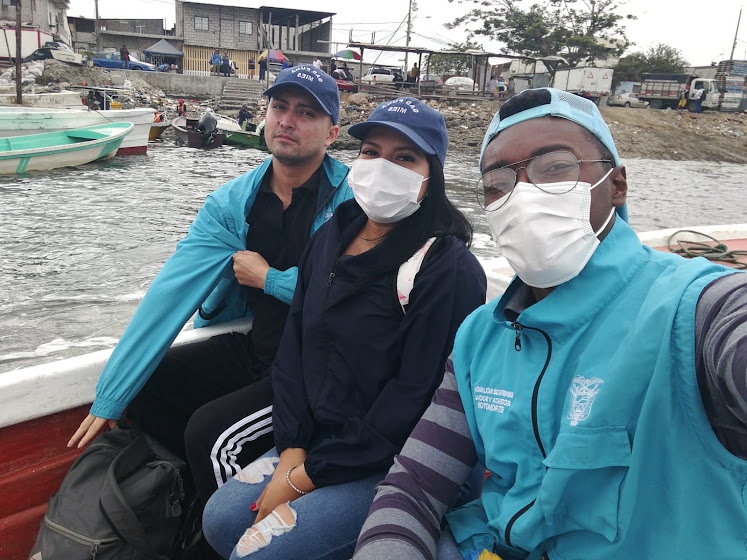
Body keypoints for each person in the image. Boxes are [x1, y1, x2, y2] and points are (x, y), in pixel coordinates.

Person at [354, 87, 747, 560]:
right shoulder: (480, 336)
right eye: (498, 182)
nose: (522, 195)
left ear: (617, 184)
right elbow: (416, 484)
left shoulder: (692, 310)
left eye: (556, 166)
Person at [201, 97, 487, 560]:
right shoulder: (333, 234)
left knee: (258, 553)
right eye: (372, 152)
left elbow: (417, 395)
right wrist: (293, 447)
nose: (382, 167)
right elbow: (296, 343)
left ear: (431, 175)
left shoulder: (446, 269)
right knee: (220, 520)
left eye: (404, 158)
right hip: (320, 441)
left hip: (393, 458)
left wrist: (305, 478)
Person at [67, 66, 352, 517]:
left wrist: (270, 279)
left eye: (306, 113)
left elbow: (352, 291)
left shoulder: (353, 202)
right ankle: (188, 502)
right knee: (149, 384)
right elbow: (170, 292)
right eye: (279, 107)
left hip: (319, 366)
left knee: (206, 432)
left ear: (332, 133)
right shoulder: (232, 203)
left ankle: (221, 534)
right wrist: (112, 393)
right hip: (259, 350)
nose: (287, 121)